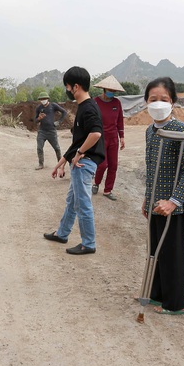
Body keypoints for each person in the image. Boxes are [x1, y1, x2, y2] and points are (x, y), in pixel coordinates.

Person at [141, 77, 184, 315]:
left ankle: (176, 303)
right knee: (156, 250)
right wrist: (147, 199)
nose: (158, 103)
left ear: (172, 102)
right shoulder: (149, 130)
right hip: (155, 202)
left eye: (163, 99)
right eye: (153, 99)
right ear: (146, 102)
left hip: (172, 205)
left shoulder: (182, 129)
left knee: (172, 254)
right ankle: (157, 295)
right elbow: (151, 167)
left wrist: (174, 201)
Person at [43, 67, 105, 255]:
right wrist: (61, 162)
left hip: (84, 163)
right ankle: (62, 233)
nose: (67, 90)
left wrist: (79, 153)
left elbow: (95, 134)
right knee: (72, 200)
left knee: (82, 203)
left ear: (75, 86)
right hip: (80, 161)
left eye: (67, 86)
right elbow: (79, 141)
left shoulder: (88, 108)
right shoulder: (85, 106)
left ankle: (89, 243)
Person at [92, 75, 126, 200]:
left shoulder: (117, 103)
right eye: (110, 90)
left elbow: (120, 121)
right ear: (104, 89)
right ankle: (96, 183)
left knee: (113, 165)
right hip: (100, 138)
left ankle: (108, 190)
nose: (112, 93)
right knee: (102, 165)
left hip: (113, 139)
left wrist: (121, 137)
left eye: (114, 91)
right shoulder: (95, 102)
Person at [34, 91, 67, 170]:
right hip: (42, 131)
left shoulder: (53, 106)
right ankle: (41, 164)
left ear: (48, 99)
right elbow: (35, 120)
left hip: (51, 131)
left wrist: (59, 122)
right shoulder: (39, 108)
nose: (43, 100)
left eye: (44, 98)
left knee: (57, 148)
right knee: (39, 148)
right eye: (41, 99)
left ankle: (59, 163)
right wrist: (39, 118)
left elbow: (64, 112)